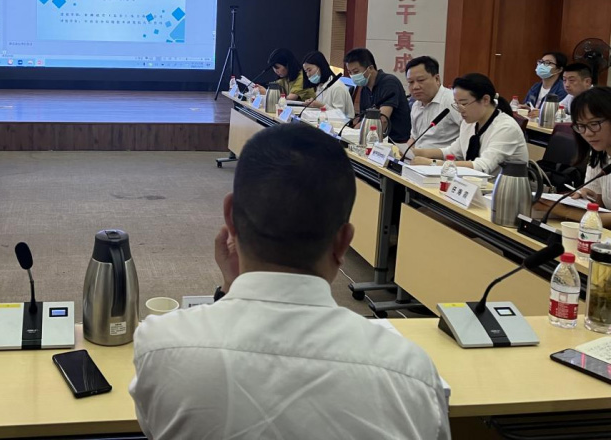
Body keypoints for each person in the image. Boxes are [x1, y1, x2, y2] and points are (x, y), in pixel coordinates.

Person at [129, 123, 450, 440]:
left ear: (230, 217)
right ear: (343, 242)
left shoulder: (159, 346)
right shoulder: (412, 375)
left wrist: (230, 290)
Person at [413, 73, 528, 177]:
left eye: (463, 103)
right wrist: (415, 152)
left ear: (485, 100)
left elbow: (482, 166)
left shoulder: (506, 128)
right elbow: (452, 152)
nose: (460, 109)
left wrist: (432, 163)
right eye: (456, 103)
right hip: (473, 186)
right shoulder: (470, 123)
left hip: (499, 189)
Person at [543, 87, 611, 227]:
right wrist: (586, 195)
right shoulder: (599, 154)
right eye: (581, 126)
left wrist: (565, 211)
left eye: (594, 124)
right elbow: (600, 204)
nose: (588, 133)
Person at [343, 47, 411, 143]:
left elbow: (383, 121)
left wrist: (362, 141)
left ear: (370, 68)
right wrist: (348, 134)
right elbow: (363, 120)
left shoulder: (389, 83)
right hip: (375, 138)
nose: (353, 76)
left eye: (356, 72)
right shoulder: (365, 88)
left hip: (395, 141)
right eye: (350, 72)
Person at [406, 56, 461, 151]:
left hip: (442, 158)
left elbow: (470, 135)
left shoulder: (452, 101)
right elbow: (414, 139)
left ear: (437, 79)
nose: (415, 87)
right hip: (418, 157)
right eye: (410, 82)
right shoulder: (416, 105)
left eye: (421, 80)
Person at [301, 50, 353, 118]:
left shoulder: (337, 87)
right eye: (306, 71)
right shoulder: (320, 85)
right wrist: (313, 104)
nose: (308, 74)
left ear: (320, 66)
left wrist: (321, 105)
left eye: (309, 70)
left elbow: (340, 115)